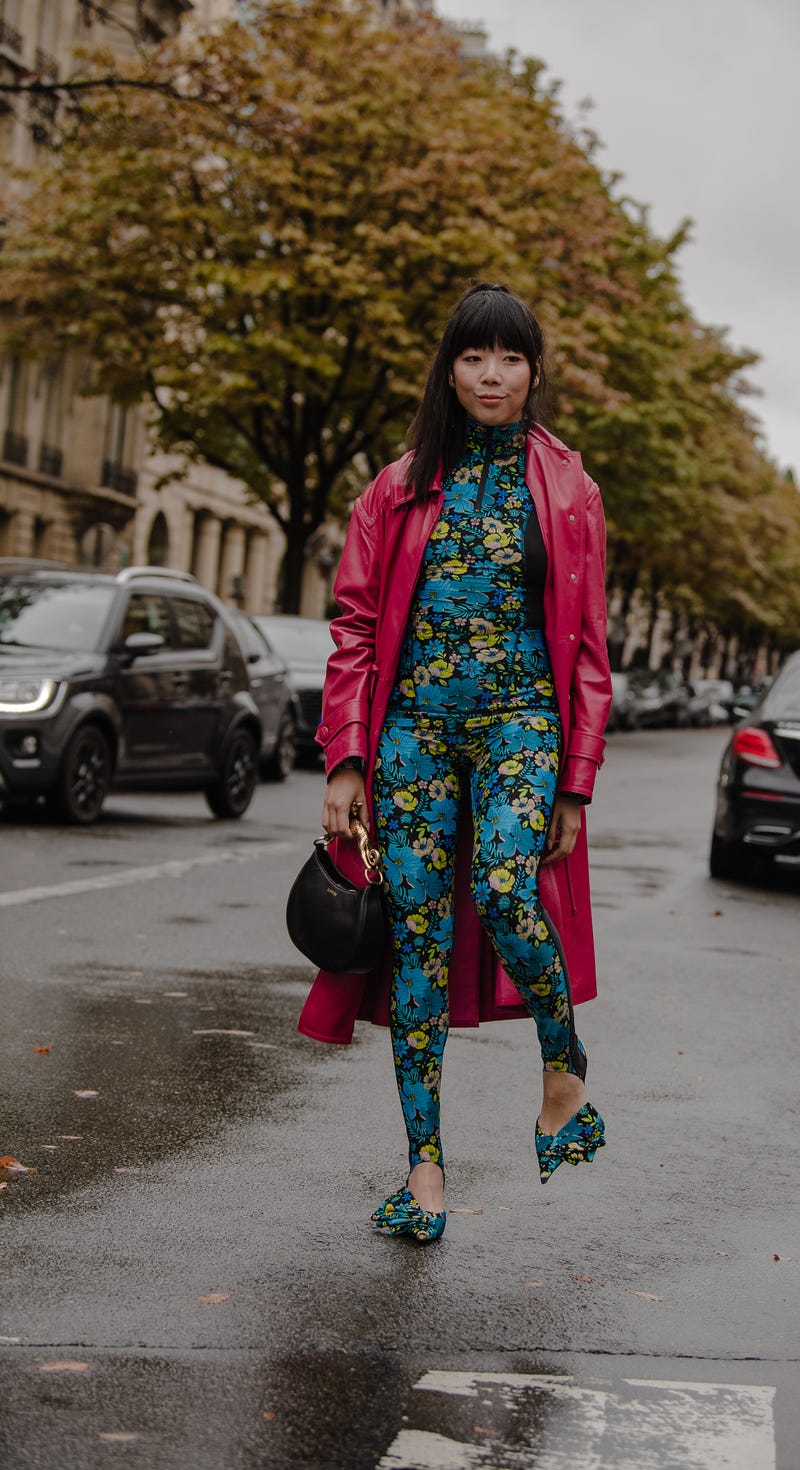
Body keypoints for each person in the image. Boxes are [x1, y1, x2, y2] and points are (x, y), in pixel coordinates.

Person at [299, 282, 613, 1242]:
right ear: (449, 368)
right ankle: (424, 1173)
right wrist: (345, 756)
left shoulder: (568, 489)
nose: (492, 374)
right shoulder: (392, 489)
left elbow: (591, 649)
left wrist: (575, 779)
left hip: (522, 721)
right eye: (474, 356)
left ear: (532, 372)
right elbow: (354, 627)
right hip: (412, 737)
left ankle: (564, 1071)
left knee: (510, 889)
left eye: (511, 358)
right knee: (418, 949)